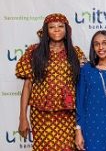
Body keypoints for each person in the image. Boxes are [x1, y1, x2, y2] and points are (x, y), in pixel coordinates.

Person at [15, 13, 86, 151]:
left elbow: (83, 83)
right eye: (52, 27)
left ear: (67, 30)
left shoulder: (76, 53)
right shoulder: (34, 52)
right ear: (46, 31)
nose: (57, 29)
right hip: (41, 114)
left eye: (60, 26)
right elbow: (28, 86)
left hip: (67, 114)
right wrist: (22, 117)